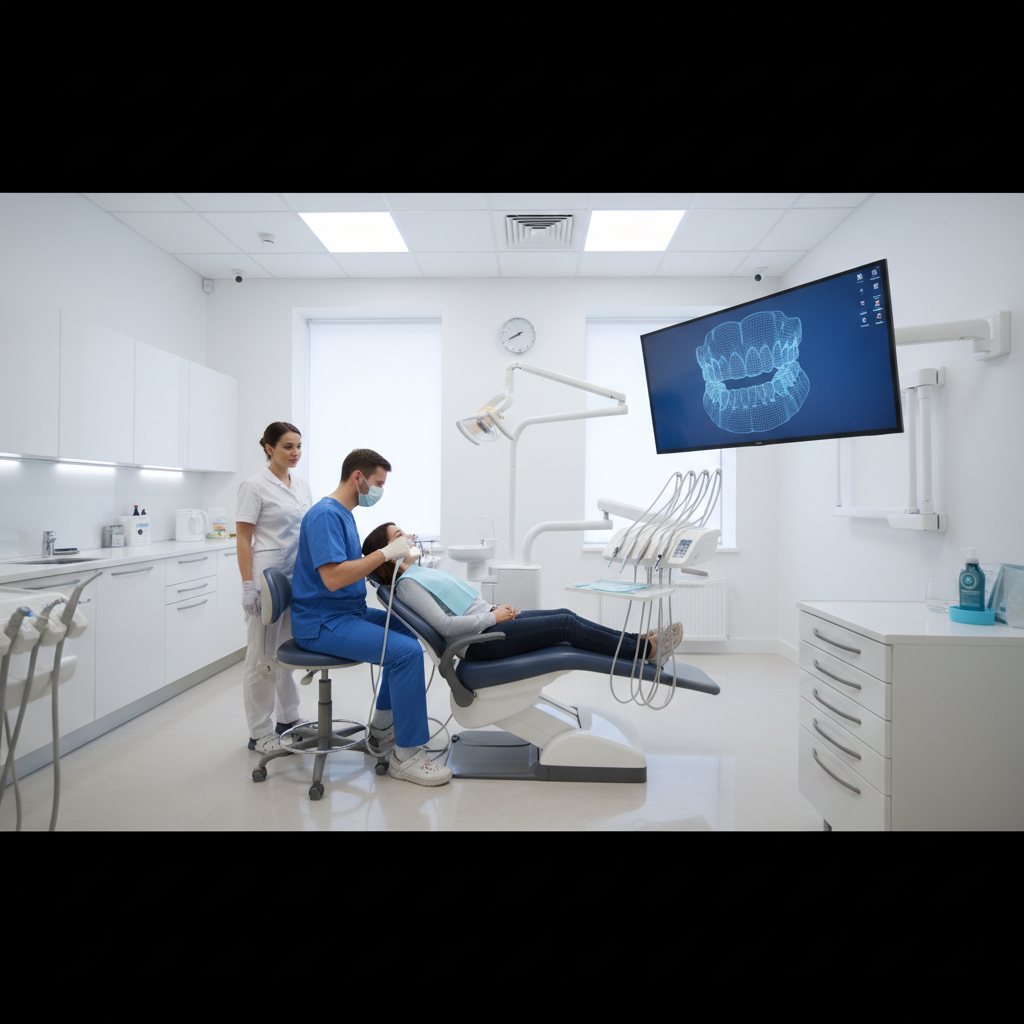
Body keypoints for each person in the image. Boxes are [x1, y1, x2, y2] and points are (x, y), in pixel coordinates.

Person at [289, 450, 451, 787]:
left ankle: (382, 729)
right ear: (357, 478)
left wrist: (397, 562)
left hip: (348, 612)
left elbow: (354, 569)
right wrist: (384, 553)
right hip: (323, 622)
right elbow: (334, 578)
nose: (379, 491)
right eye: (377, 483)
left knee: (412, 634)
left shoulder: (345, 515)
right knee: (404, 652)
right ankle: (406, 757)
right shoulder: (324, 515)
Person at [361, 522, 683, 666]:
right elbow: (445, 628)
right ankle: (644, 651)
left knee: (566, 616)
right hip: (478, 645)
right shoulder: (407, 585)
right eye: (399, 536)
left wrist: (494, 609)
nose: (408, 537)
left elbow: (459, 608)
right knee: (565, 627)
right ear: (387, 552)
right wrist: (492, 616)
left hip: (485, 627)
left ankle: (639, 641)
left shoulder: (416, 575)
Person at [236, 421, 313, 754]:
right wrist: (247, 585)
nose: (295, 453)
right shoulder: (253, 486)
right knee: (261, 656)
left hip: (296, 577)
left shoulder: (303, 486)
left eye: (298, 446)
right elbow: (243, 538)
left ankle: (288, 717)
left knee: (284, 648)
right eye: (287, 446)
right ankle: (259, 732)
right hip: (266, 579)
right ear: (269, 448)